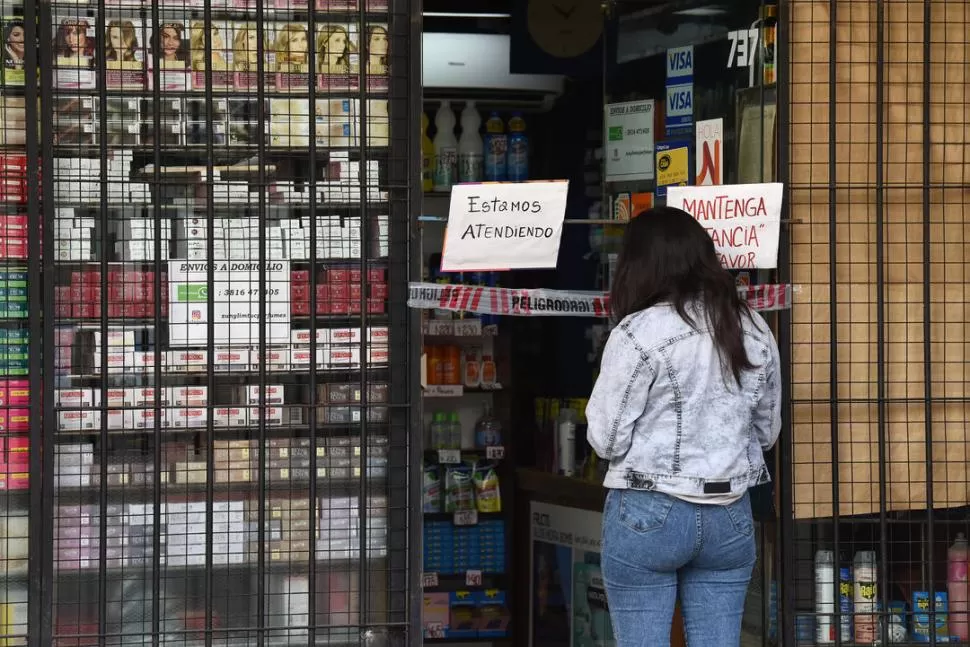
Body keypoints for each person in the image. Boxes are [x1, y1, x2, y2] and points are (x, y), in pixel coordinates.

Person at [585, 206, 781, 647]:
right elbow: (767, 432)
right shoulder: (752, 326)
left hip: (649, 512)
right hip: (730, 513)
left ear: (639, 265)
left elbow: (605, 438)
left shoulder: (639, 330)